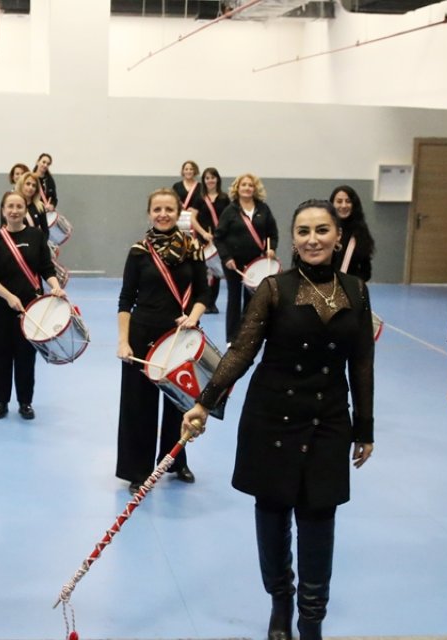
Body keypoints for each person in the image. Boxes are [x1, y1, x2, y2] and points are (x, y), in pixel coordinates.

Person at [183, 199, 375, 640]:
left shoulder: (358, 290)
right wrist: (204, 401)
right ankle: (280, 601)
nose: (313, 239)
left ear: (337, 236)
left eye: (322, 230)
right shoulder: (274, 288)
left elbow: (362, 361)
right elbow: (242, 351)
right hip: (272, 418)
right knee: (271, 514)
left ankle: (312, 617)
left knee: (318, 517)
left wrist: (363, 427)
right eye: (304, 231)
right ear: (292, 239)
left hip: (328, 418)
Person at [116, 189, 209, 493]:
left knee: (179, 403)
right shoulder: (139, 251)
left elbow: (204, 293)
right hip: (142, 334)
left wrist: (194, 316)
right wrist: (123, 341)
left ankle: (175, 461)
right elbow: (126, 299)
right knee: (138, 406)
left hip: (179, 335)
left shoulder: (192, 248)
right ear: (149, 213)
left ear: (178, 212)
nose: (163, 214)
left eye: (169, 209)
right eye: (157, 209)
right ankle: (137, 469)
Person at [0, 191, 66, 421]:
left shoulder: (36, 237)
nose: (15, 210)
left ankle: (25, 402)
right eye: (10, 206)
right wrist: (8, 296)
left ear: (25, 210)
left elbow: (46, 268)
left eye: (19, 206)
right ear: (3, 210)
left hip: (30, 308)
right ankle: (1, 401)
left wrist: (55, 286)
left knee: (26, 355)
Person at [214, 173, 278, 342]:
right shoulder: (230, 210)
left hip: (255, 262)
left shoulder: (263, 209)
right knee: (234, 299)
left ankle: (249, 335)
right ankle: (232, 338)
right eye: (244, 185)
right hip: (233, 263)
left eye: (250, 185)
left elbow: (272, 233)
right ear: (237, 188)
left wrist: (272, 249)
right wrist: (226, 258)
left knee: (253, 301)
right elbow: (218, 237)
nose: (247, 188)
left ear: (254, 189)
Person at [198, 167, 229, 314]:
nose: (210, 180)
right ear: (204, 181)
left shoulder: (224, 198)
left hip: (219, 239)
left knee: (216, 271)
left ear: (217, 179)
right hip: (203, 239)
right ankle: (203, 302)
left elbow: (230, 218)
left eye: (213, 177)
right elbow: (192, 218)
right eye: (207, 178)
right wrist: (203, 233)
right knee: (204, 272)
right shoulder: (200, 198)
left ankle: (212, 303)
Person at [328, 185, 375, 282]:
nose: (344, 205)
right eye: (339, 201)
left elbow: (366, 270)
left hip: (350, 287)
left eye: (348, 201)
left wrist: (354, 285)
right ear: (332, 204)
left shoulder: (360, 232)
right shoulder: (324, 230)